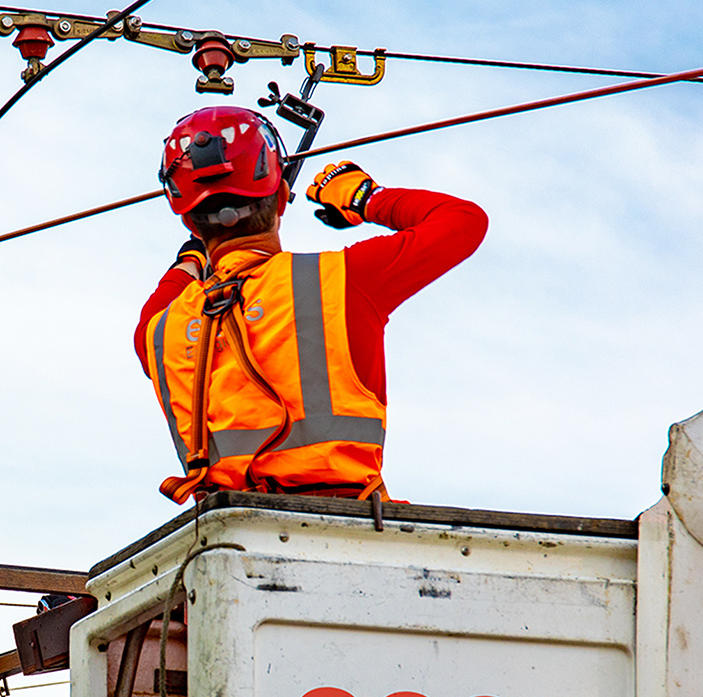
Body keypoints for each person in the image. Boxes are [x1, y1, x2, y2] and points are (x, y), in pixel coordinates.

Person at [136, 105, 488, 503]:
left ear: (187, 222)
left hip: (224, 533)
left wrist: (194, 255)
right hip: (340, 530)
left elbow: (172, 289)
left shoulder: (160, 330)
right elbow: (464, 221)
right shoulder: (342, 282)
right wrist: (366, 198)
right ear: (283, 197)